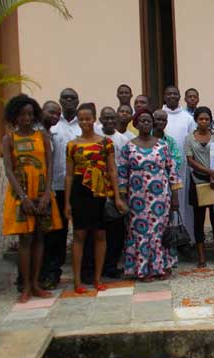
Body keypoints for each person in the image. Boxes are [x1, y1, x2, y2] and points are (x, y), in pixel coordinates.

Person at [2, 95, 62, 303]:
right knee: (25, 239)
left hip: (42, 192)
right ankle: (25, 286)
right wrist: (23, 197)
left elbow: (50, 165)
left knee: (39, 237)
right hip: (20, 195)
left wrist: (46, 194)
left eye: (29, 114)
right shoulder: (9, 139)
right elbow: (9, 170)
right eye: (22, 114)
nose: (26, 118)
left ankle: (36, 284)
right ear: (14, 116)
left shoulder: (42, 136)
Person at [65, 103, 126, 293]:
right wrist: (66, 202)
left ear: (94, 119)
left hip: (100, 192)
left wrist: (117, 197)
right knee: (79, 235)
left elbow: (112, 170)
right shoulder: (72, 145)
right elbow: (69, 175)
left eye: (88, 118)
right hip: (79, 192)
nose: (85, 122)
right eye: (81, 119)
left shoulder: (105, 143)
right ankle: (77, 281)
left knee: (100, 235)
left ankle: (98, 279)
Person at [118, 108, 182, 281]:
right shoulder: (128, 147)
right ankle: (143, 269)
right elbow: (122, 173)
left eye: (148, 121)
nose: (146, 124)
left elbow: (172, 171)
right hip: (137, 198)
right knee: (141, 231)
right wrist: (122, 199)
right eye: (142, 121)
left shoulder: (162, 146)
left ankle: (162, 266)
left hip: (160, 197)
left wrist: (175, 197)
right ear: (136, 124)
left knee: (160, 230)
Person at [41, 88, 83, 289]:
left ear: (77, 101)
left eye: (72, 98)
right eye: (65, 98)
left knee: (83, 230)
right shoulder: (52, 127)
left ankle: (85, 272)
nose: (69, 101)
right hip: (57, 187)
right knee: (57, 232)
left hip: (80, 187)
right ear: (60, 100)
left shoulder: (85, 124)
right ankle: (52, 273)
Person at [185, 106, 214, 267]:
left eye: (207, 119)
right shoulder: (189, 138)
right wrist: (210, 172)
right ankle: (201, 258)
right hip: (198, 182)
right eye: (201, 119)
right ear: (196, 120)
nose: (204, 121)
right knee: (199, 220)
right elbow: (191, 161)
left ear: (210, 120)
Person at [97, 107, 129, 278]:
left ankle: (111, 265)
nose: (109, 121)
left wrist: (121, 192)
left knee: (116, 231)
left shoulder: (122, 140)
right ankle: (96, 266)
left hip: (116, 188)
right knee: (98, 230)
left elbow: (123, 166)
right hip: (96, 188)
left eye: (112, 118)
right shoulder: (95, 135)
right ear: (100, 120)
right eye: (106, 118)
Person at [162, 85, 196, 241]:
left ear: (179, 96)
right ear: (164, 97)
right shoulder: (159, 115)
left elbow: (192, 141)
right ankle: (167, 239)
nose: (172, 96)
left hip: (183, 168)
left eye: (175, 94)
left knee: (183, 203)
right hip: (161, 168)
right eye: (169, 94)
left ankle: (185, 239)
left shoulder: (187, 118)